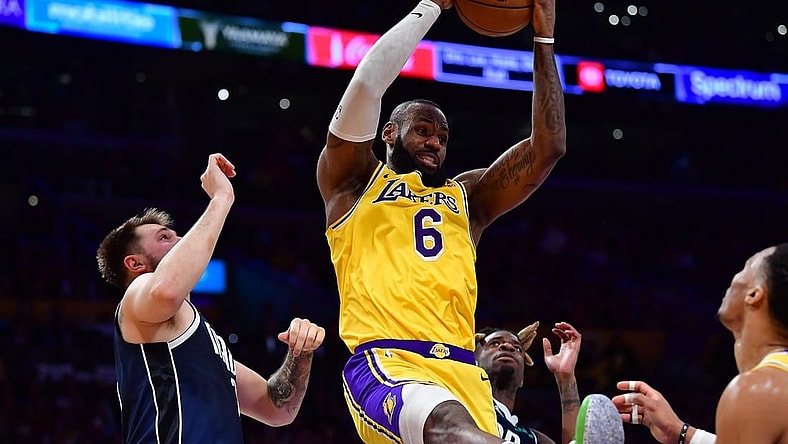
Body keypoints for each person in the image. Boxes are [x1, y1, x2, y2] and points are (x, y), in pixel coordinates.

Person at [316, 0, 566, 440]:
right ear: (389, 133)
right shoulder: (352, 183)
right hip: (388, 362)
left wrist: (543, 40)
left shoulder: (467, 197)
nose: (435, 143)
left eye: (443, 137)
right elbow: (366, 85)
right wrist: (432, 6)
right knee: (451, 430)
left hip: (465, 373)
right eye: (423, 130)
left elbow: (549, 147)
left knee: (462, 428)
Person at [96, 153, 326, 443]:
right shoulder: (136, 299)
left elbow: (277, 409)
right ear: (135, 264)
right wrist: (221, 197)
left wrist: (300, 352)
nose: (181, 241)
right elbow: (165, 290)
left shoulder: (205, 340)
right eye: (165, 238)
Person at [612, 243, 788, 444]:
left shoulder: (755, 391)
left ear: (754, 295)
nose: (734, 277)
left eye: (746, 267)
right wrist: (680, 432)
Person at [474, 321, 582, 444]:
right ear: (473, 361)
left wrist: (565, 377)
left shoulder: (532, 438)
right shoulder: (460, 406)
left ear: (522, 379)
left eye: (517, 348)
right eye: (495, 343)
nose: (508, 347)